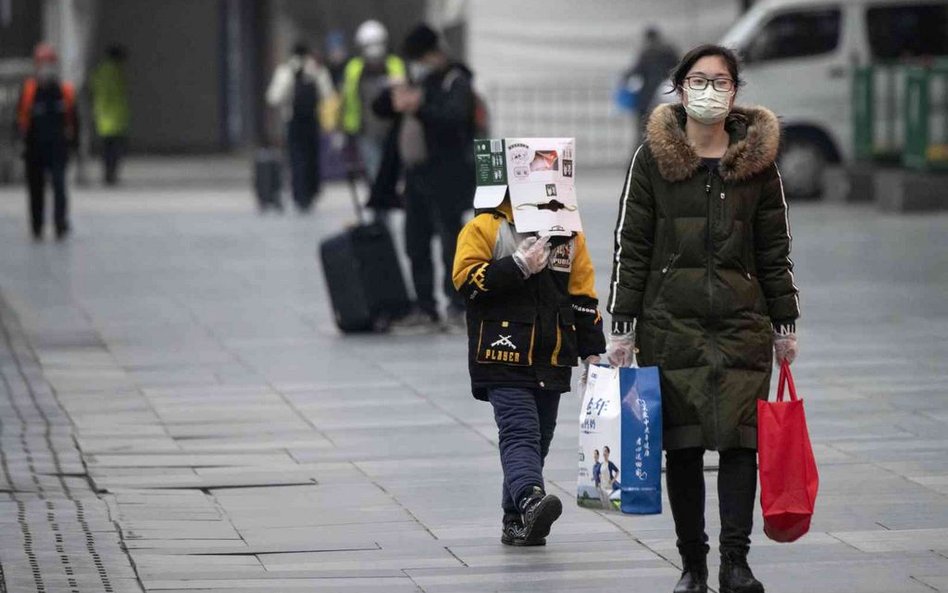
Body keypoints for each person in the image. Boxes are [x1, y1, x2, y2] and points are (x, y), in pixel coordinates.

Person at [607, 44, 800, 593]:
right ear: (679, 86)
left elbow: (774, 250)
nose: (709, 89)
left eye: (720, 80)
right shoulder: (651, 160)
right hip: (672, 324)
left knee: (743, 442)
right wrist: (622, 327)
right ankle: (692, 564)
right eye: (699, 79)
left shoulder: (758, 165)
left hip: (743, 323)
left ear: (736, 91)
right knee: (684, 444)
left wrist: (784, 325)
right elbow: (633, 246)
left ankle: (735, 564)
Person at [453, 191, 606, 546]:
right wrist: (515, 266)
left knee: (540, 438)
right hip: (502, 354)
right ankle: (531, 499)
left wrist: (593, 353)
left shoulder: (568, 234)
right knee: (520, 432)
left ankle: (516, 519)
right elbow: (465, 280)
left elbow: (582, 296)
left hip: (551, 357)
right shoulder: (484, 227)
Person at [376, 24, 476, 332]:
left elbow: (454, 118)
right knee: (415, 242)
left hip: (448, 175)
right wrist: (393, 95)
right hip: (415, 176)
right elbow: (381, 110)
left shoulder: (456, 81)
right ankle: (425, 307)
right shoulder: (419, 81)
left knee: (451, 243)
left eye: (420, 58)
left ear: (434, 54)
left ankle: (456, 305)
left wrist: (419, 108)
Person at [16, 43, 77, 241]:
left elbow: (74, 121)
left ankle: (60, 224)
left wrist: (74, 146)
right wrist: (19, 143)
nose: (47, 68)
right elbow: (19, 121)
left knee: (59, 187)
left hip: (58, 148)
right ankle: (37, 226)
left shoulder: (64, 92)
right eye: (43, 63)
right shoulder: (28, 92)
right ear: (36, 65)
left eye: (50, 63)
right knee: (36, 190)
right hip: (34, 150)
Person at [266, 42, 334, 212]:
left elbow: (273, 97)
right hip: (312, 121)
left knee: (297, 159)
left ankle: (299, 195)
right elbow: (328, 95)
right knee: (312, 158)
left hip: (293, 121)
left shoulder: (286, 70)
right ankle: (310, 193)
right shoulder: (317, 70)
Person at [340, 20, 405, 181]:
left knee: (393, 169)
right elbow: (349, 99)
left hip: (392, 128)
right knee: (374, 169)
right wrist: (347, 126)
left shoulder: (395, 65)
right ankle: (380, 202)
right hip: (366, 129)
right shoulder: (354, 69)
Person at [621, 27, 680, 134]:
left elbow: (635, 71)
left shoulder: (646, 52)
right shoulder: (670, 51)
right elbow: (680, 67)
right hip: (667, 95)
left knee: (643, 129)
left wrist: (624, 79)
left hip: (646, 97)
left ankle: (643, 149)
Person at [91, 44, 130, 186]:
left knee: (108, 150)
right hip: (114, 117)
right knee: (114, 150)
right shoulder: (114, 72)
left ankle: (109, 174)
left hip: (105, 117)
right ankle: (111, 175)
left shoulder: (101, 72)